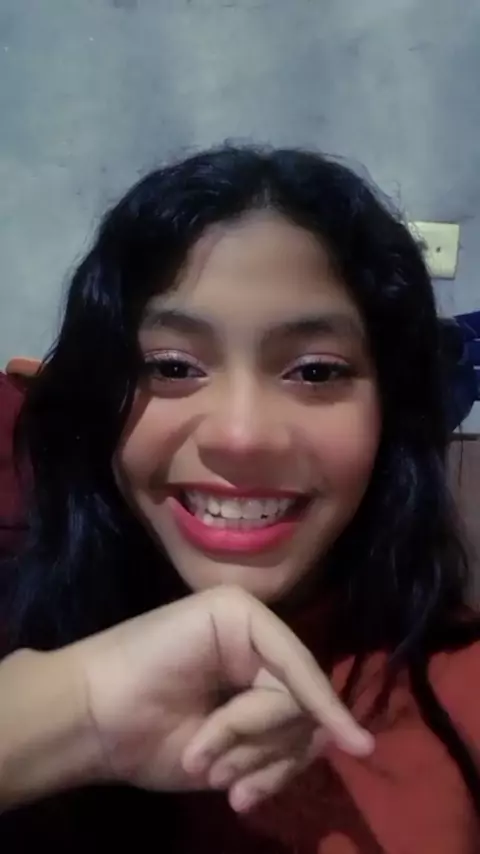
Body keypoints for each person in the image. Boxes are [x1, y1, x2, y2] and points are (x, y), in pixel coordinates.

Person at [0, 145, 479, 852]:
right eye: (172, 366)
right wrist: (73, 711)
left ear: (392, 411)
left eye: (315, 372)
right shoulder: (19, 627)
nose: (242, 437)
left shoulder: (462, 688)